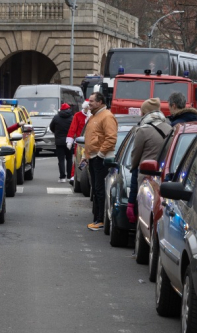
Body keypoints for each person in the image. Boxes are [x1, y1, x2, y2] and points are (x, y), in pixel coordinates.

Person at [126, 98, 173, 224]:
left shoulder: (143, 130)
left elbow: (135, 155)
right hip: (164, 175)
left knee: (144, 215)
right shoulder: (169, 128)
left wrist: (134, 166)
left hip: (145, 177)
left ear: (144, 113)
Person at [84, 92, 118, 231]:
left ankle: (100, 219)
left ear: (100, 102)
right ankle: (97, 218)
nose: (89, 103)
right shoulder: (94, 115)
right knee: (96, 189)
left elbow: (111, 138)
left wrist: (100, 154)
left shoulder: (107, 116)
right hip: (93, 157)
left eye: (92, 101)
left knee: (99, 189)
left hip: (100, 159)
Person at [65, 100, 90, 183]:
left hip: (90, 142)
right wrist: (70, 140)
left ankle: (85, 176)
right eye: (87, 108)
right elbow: (73, 128)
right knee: (78, 159)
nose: (89, 109)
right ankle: (74, 175)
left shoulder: (93, 116)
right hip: (80, 142)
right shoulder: (78, 115)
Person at [49, 103, 74, 182]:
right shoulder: (72, 118)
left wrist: (56, 133)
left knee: (61, 159)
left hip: (59, 141)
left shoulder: (56, 117)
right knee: (69, 158)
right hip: (69, 141)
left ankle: (62, 177)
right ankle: (69, 176)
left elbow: (51, 127)